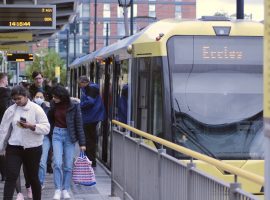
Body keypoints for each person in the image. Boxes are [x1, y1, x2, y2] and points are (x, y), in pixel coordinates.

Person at [1, 85, 50, 200]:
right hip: (14, 147)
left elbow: (46, 128)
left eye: (19, 98)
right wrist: (1, 148)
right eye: (14, 99)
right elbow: (3, 130)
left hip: (33, 148)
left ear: (26, 96)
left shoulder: (36, 108)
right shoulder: (10, 110)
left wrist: (32, 126)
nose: (17, 101)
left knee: (33, 177)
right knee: (11, 176)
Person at [47, 85, 86, 200]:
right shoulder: (53, 104)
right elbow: (49, 120)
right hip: (57, 134)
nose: (54, 98)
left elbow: (79, 124)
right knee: (57, 163)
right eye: (53, 96)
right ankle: (58, 189)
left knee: (68, 165)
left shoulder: (74, 106)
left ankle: (66, 189)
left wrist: (82, 143)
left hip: (70, 137)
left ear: (62, 96)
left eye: (56, 97)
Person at [28, 71, 53, 174]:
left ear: (43, 78)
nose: (38, 80)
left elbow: (54, 101)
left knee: (49, 145)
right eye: (36, 78)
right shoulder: (30, 90)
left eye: (40, 78)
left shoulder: (48, 89)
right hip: (35, 120)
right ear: (34, 80)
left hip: (48, 119)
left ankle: (48, 164)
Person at [78, 76, 105, 167]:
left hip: (91, 117)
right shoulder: (91, 88)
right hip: (91, 116)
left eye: (80, 83)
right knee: (90, 139)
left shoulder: (91, 88)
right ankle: (90, 160)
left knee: (89, 139)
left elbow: (90, 102)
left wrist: (79, 104)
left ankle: (90, 160)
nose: (79, 86)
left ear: (84, 82)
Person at [32, 91, 50, 189]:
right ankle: (33, 182)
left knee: (42, 162)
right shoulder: (30, 108)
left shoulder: (48, 108)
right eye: (37, 96)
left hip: (45, 138)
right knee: (34, 162)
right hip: (32, 136)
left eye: (41, 97)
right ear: (34, 97)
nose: (39, 98)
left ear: (44, 98)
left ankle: (40, 183)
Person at [0, 73, 11, 182]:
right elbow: (5, 108)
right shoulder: (6, 92)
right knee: (3, 149)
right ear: (3, 80)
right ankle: (5, 174)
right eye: (7, 80)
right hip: (3, 124)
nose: (8, 82)